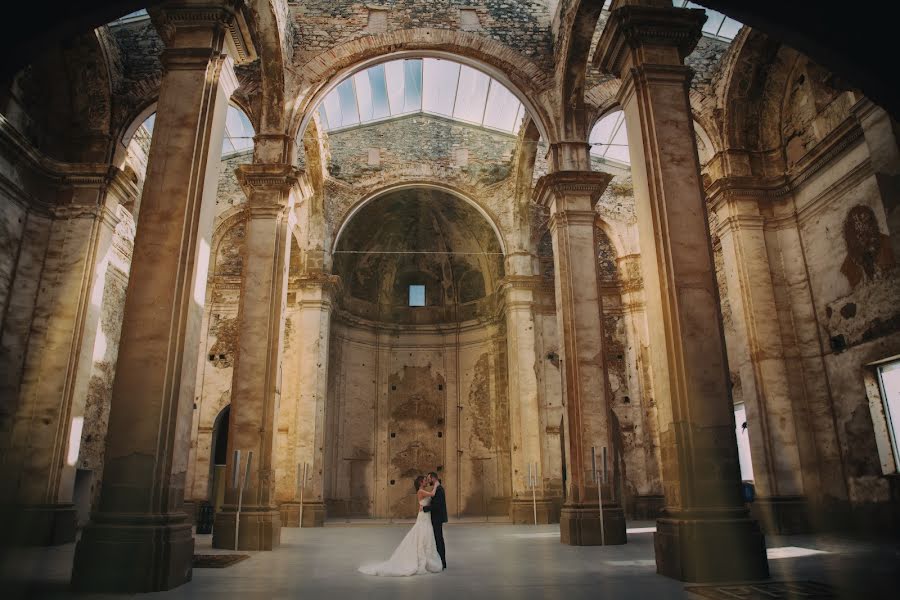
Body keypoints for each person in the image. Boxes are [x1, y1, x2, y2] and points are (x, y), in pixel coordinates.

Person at [358, 475, 443, 576]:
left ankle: (427, 558)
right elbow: (432, 494)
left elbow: (427, 501)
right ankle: (421, 559)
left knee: (426, 535)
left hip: (426, 516)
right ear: (420, 482)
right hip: (423, 517)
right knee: (422, 534)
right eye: (425, 480)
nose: (426, 482)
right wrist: (436, 485)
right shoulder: (421, 491)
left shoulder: (423, 491)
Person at [422, 471, 448, 570]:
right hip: (436, 518)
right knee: (438, 539)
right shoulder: (437, 488)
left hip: (437, 518)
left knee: (439, 540)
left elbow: (437, 506)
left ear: (433, 478)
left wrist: (425, 509)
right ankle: (440, 561)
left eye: (429, 479)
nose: (428, 481)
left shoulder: (439, 489)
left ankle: (442, 562)